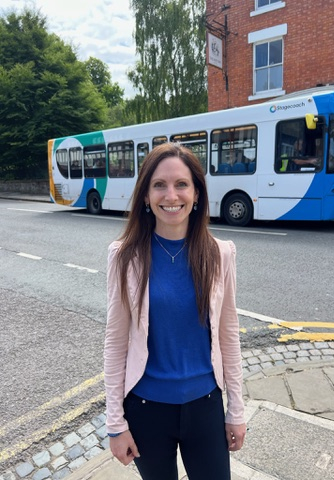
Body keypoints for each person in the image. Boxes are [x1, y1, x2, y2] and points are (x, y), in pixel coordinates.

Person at [104, 142, 246, 480]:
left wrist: (236, 411)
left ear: (196, 193)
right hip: (145, 409)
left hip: (205, 404)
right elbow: (115, 341)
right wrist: (115, 424)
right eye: (159, 185)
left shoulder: (219, 253)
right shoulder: (125, 257)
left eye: (181, 184)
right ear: (145, 196)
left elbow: (228, 333)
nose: (171, 195)